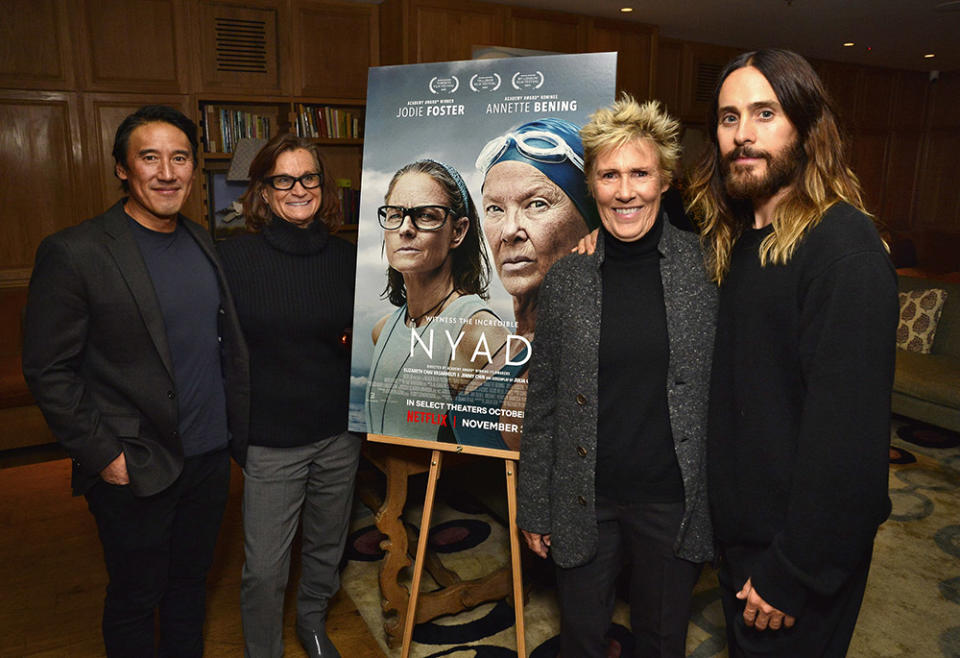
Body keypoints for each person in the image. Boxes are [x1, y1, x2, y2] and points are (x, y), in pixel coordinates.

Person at [686, 49, 898, 656]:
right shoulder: (740, 236)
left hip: (795, 556)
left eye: (764, 113)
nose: (743, 135)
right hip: (745, 539)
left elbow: (848, 442)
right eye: (729, 118)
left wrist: (794, 570)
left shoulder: (842, 250)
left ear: (806, 128)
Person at [22, 105, 249, 657]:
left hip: (207, 459)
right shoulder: (75, 252)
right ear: (123, 168)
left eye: (180, 158)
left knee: (189, 586)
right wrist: (105, 457)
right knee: (135, 597)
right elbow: (49, 369)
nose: (167, 173)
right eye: (150, 157)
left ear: (194, 168)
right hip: (135, 463)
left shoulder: (201, 241)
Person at [516, 95, 717, 658]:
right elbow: (545, 402)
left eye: (639, 173)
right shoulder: (567, 279)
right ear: (592, 184)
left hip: (671, 502)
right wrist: (535, 504)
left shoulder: (707, 270)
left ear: (665, 180)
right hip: (586, 500)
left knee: (660, 640)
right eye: (609, 175)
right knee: (580, 639)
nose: (625, 191)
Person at [217, 134, 359, 658]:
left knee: (327, 547)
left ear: (323, 185)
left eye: (309, 177)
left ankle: (314, 624)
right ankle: (264, 650)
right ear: (264, 190)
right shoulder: (232, 261)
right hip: (271, 440)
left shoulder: (348, 259)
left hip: (339, 433)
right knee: (266, 568)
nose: (298, 189)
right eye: (284, 179)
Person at [454, 118, 602, 450]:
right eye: (494, 208)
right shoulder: (512, 341)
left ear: (589, 219)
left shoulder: (590, 349)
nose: (509, 230)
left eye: (536, 204)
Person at [365, 159, 506, 441]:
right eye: (395, 215)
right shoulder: (383, 330)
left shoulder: (477, 331)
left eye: (426, 215)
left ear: (458, 231)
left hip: (441, 484)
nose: (405, 228)